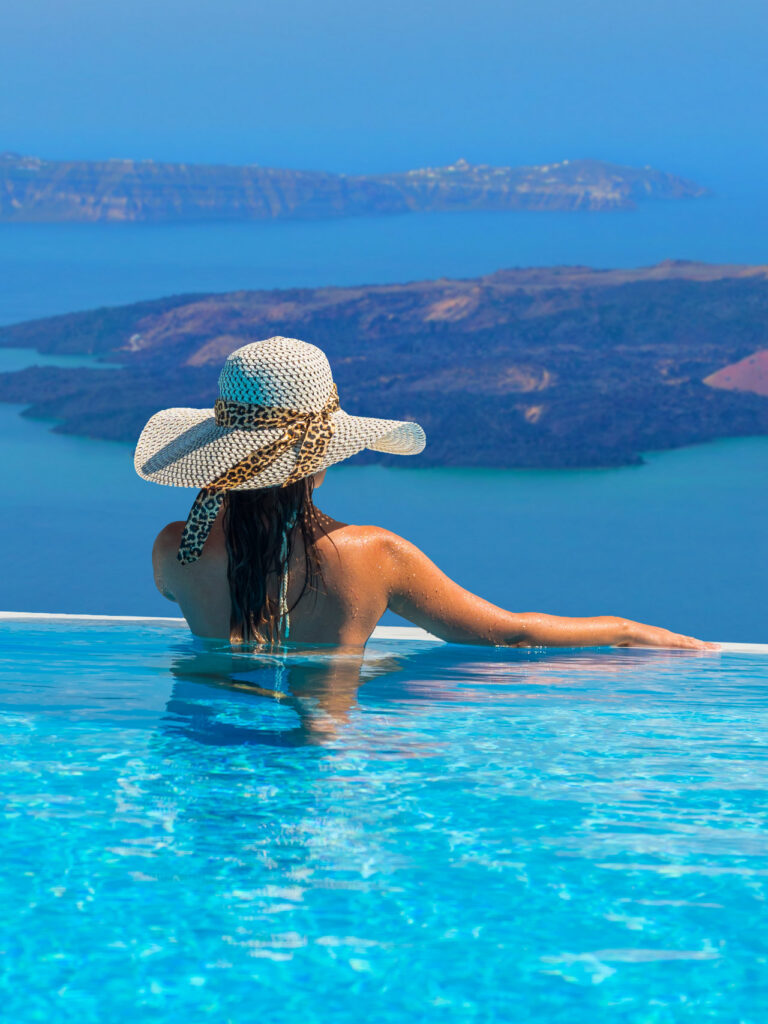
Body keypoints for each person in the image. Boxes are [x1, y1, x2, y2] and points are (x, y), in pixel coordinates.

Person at [136, 336, 716, 651]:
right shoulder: (372, 557)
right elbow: (508, 633)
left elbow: (203, 601)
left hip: (201, 757)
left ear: (224, 455)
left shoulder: (175, 551)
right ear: (320, 460)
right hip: (319, 760)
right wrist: (626, 630)